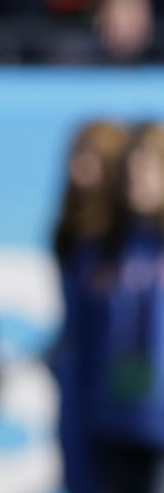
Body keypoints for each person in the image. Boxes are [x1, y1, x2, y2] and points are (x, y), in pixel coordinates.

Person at [54, 121, 164, 493]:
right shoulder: (99, 253)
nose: (137, 180)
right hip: (114, 425)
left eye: (150, 169)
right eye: (131, 170)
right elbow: (80, 353)